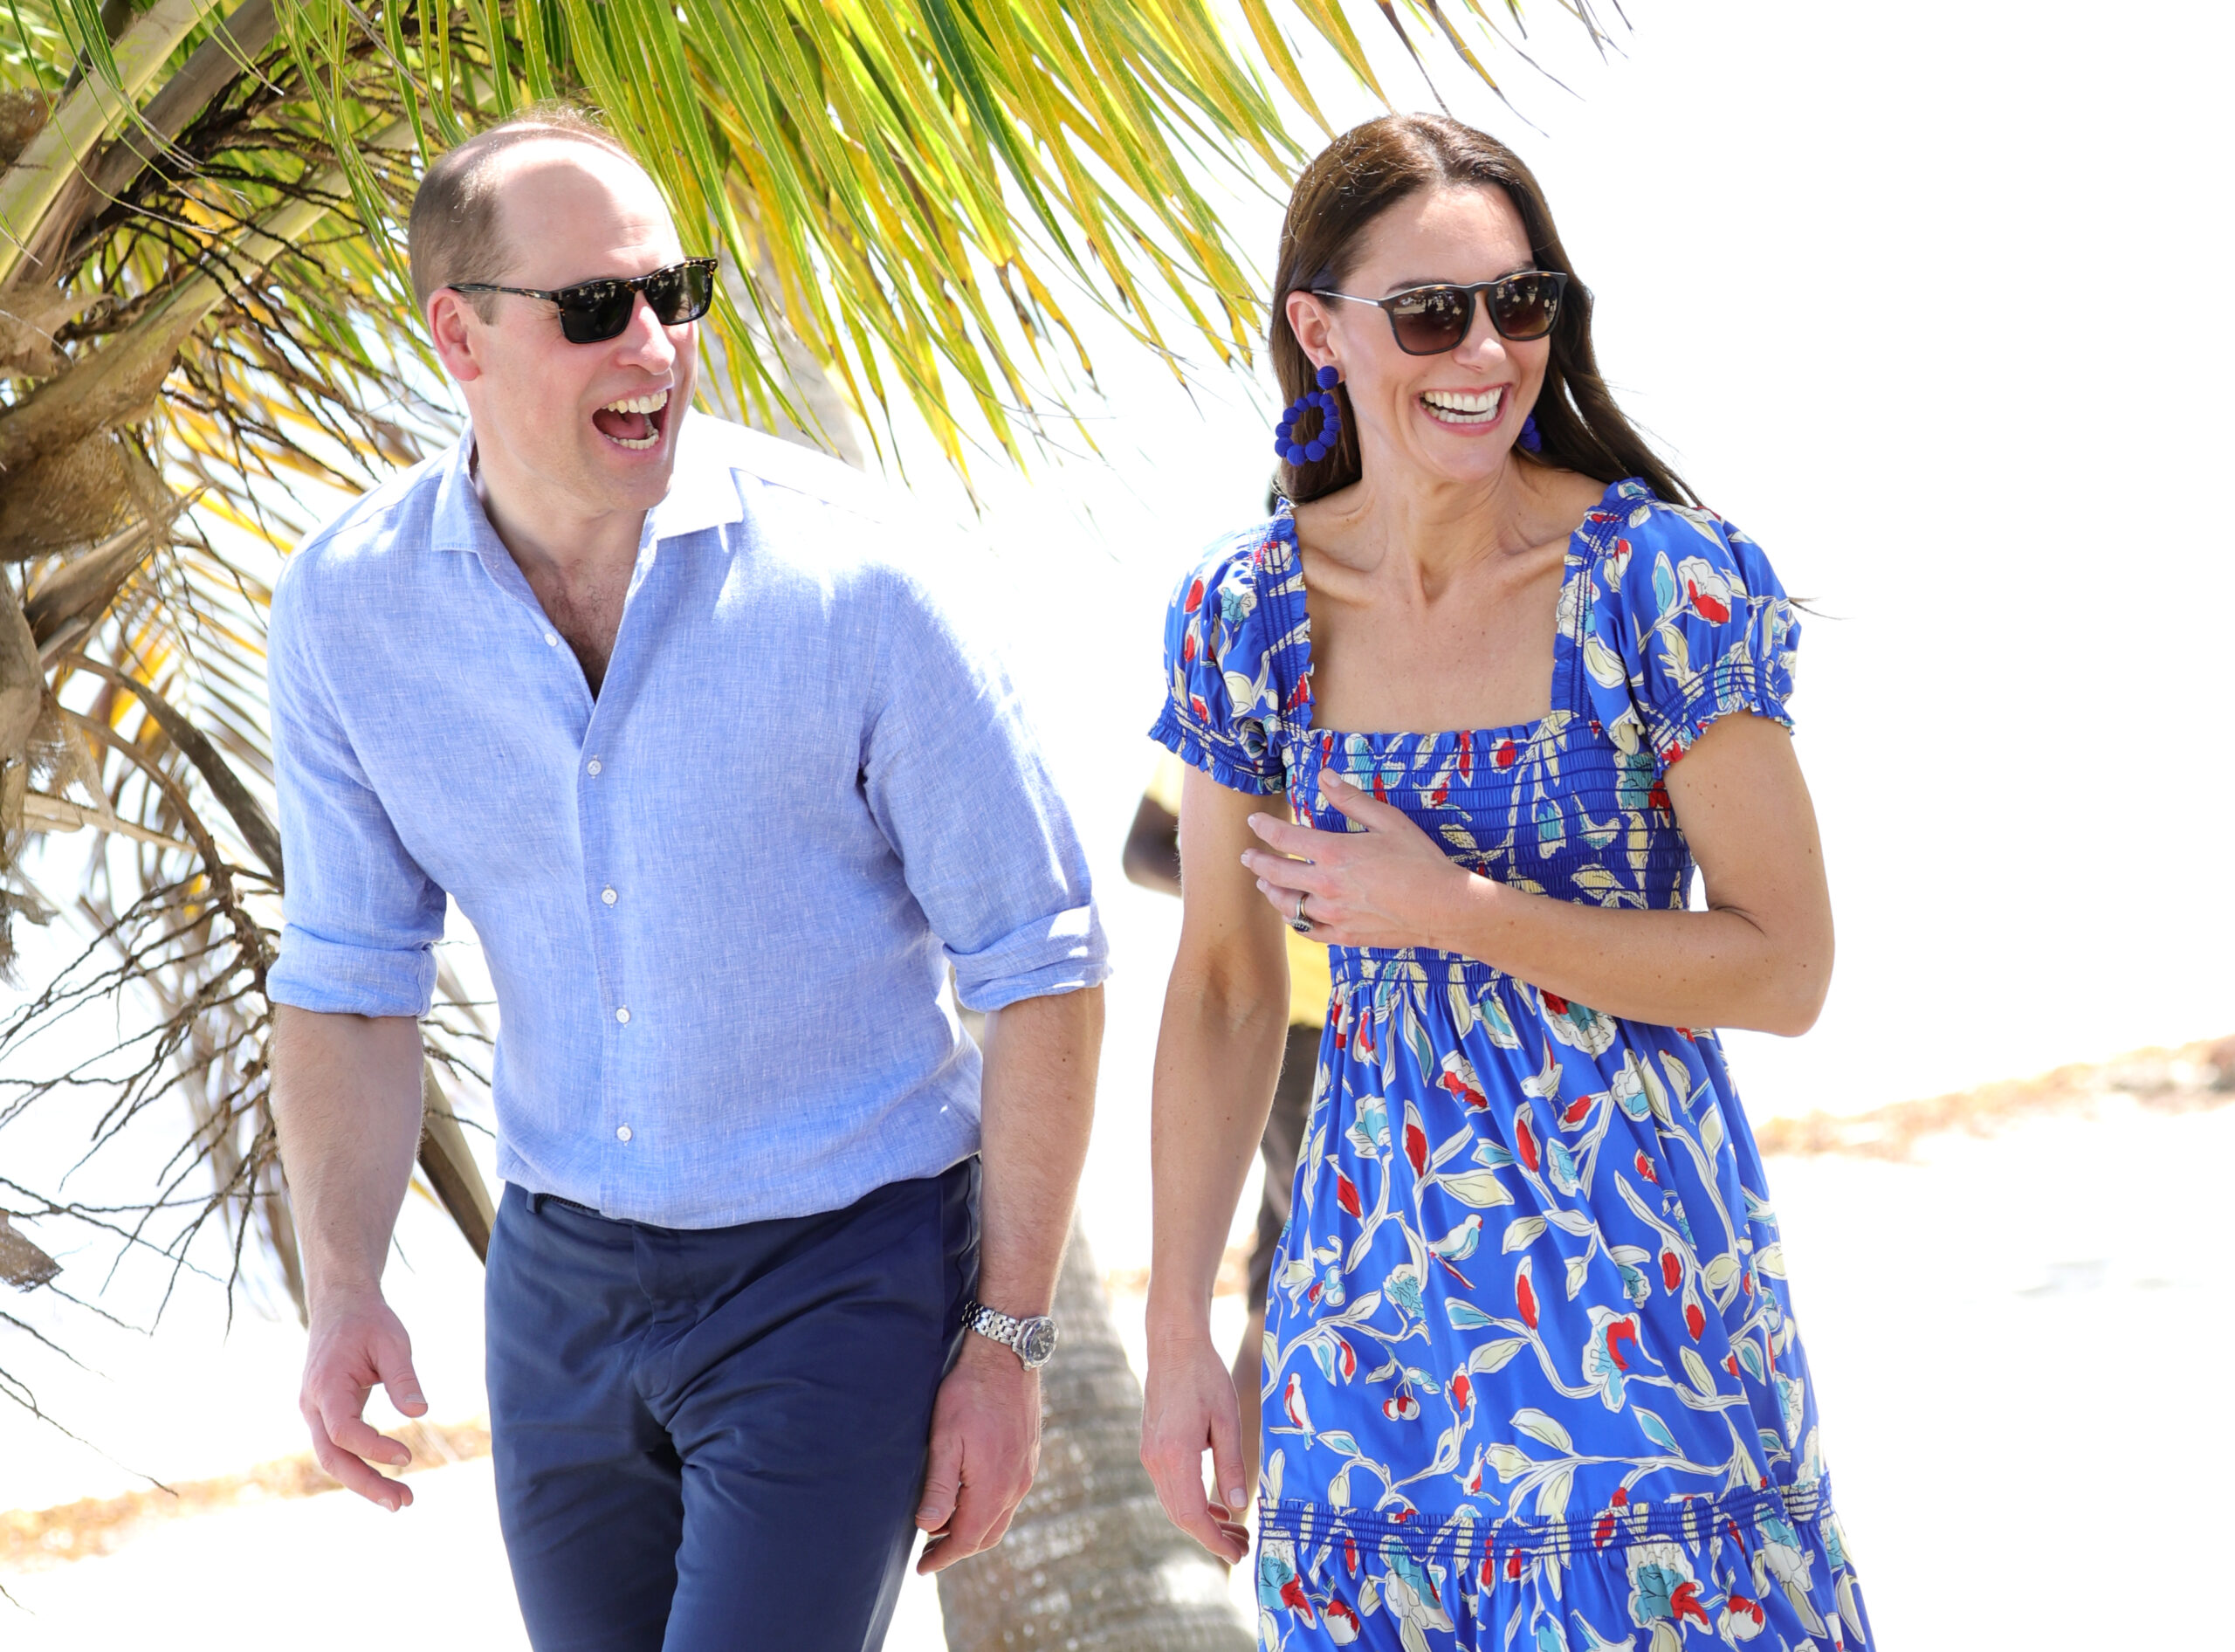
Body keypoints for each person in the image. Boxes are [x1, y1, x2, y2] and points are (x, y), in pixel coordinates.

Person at [265, 106, 1107, 1652]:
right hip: (559, 1291)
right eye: (597, 310)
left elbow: (1037, 958)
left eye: (677, 292)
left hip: (837, 1268)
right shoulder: (347, 610)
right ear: (460, 334)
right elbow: (348, 979)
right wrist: (344, 1286)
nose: (654, 344)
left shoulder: (860, 582)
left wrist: (1004, 1337)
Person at [1138, 114, 1873, 1651]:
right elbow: (1219, 981)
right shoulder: (1245, 613)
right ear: (1318, 332)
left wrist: (1456, 915)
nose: (1486, 348)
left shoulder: (1660, 583)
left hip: (1642, 1305)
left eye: (1519, 303)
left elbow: (1784, 967)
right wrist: (1181, 1327)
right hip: (1365, 1315)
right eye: (1431, 312)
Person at [1124, 746, 1328, 1504]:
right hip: (1296, 1036)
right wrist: (1265, 895)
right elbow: (1143, 849)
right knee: (1276, 1303)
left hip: (1385, 1030)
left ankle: (1233, 1535)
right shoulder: (1240, 705)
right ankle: (1230, 1536)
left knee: (1279, 1295)